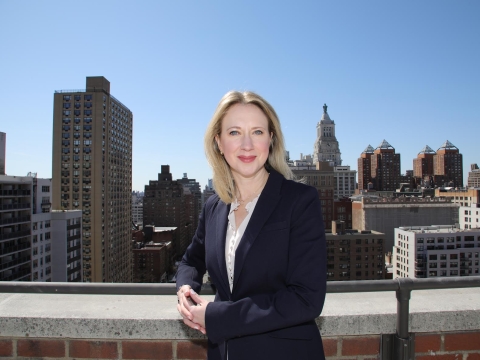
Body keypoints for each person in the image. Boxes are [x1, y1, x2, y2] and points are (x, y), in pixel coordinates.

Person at [176, 91, 327, 360]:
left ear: (271, 139)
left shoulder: (299, 201)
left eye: (257, 132)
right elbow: (191, 260)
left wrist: (217, 316)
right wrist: (186, 288)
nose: (247, 144)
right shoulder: (214, 206)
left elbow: (307, 298)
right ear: (218, 142)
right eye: (234, 132)